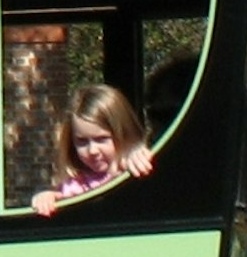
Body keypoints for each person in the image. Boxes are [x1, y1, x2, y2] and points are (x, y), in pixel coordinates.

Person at [27, 82, 154, 217]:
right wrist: (47, 198)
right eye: (82, 142)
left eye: (101, 139)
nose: (92, 150)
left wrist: (138, 156)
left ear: (123, 134)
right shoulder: (75, 186)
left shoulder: (134, 168)